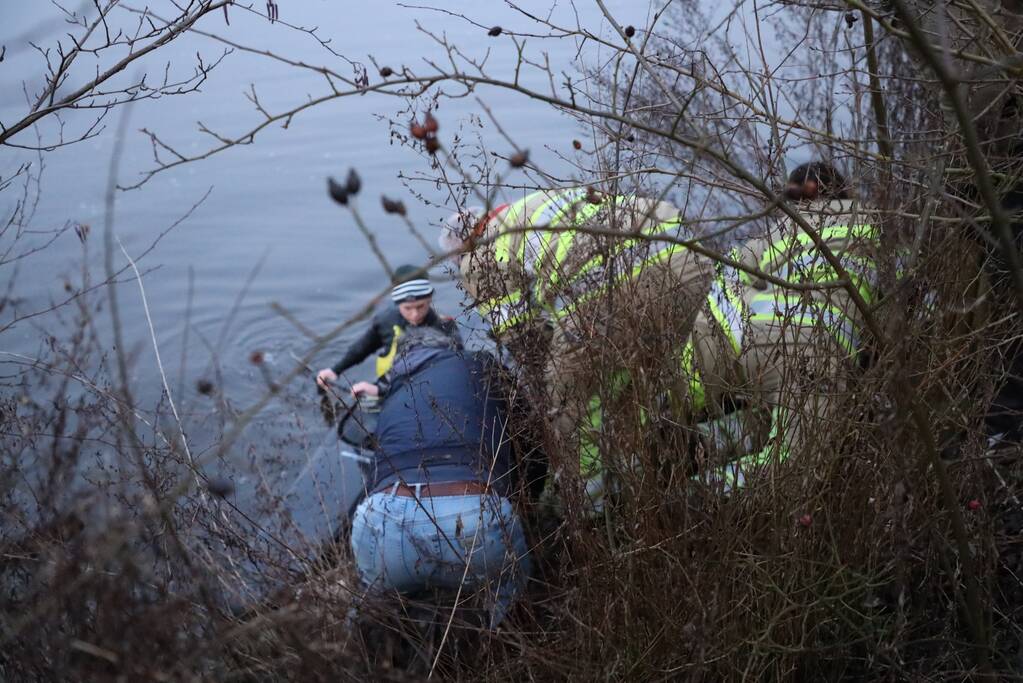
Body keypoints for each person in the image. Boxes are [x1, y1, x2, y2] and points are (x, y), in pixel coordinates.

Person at [439, 189, 713, 503]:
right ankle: (667, 459)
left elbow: (523, 341)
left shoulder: (477, 257)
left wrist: (544, 393)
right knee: (634, 375)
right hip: (691, 260)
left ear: (461, 250)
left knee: (568, 393)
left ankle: (592, 503)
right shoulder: (531, 205)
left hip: (622, 284)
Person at [347, 326, 530, 628]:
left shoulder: (392, 392)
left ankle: (364, 649)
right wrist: (530, 498)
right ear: (449, 346)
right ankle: (503, 637)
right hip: (476, 517)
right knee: (511, 593)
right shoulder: (480, 362)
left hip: (384, 517)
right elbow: (528, 429)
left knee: (371, 603)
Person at [316, 264, 460, 390]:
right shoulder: (386, 321)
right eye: (407, 308)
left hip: (426, 387)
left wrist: (379, 390)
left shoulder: (445, 326)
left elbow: (457, 365)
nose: (415, 314)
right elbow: (361, 348)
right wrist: (335, 370)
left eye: (420, 306)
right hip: (388, 387)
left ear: (430, 300)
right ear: (397, 304)